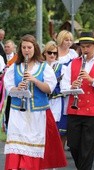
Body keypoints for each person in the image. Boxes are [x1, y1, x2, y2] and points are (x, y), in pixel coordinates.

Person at [3, 34, 67, 170]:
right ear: (20, 49)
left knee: (34, 145)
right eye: (24, 47)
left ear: (35, 48)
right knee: (17, 146)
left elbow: (49, 89)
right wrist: (17, 88)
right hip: (18, 113)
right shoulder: (14, 67)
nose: (27, 50)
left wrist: (35, 80)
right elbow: (9, 89)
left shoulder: (44, 67)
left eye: (29, 47)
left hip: (37, 114)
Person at [60, 32, 94, 170]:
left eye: (88, 46)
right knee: (74, 145)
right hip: (75, 109)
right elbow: (63, 87)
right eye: (82, 47)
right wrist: (72, 87)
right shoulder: (73, 63)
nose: (85, 50)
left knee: (88, 147)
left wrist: (91, 80)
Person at [56, 30, 78, 149]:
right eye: (66, 39)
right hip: (53, 91)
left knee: (64, 122)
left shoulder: (73, 54)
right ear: (60, 39)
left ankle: (61, 150)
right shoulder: (53, 51)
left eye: (70, 40)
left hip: (67, 90)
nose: (69, 42)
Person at [42, 40, 66, 130]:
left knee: (53, 126)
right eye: (49, 52)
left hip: (56, 100)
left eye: (55, 53)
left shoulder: (62, 67)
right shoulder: (39, 66)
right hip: (41, 99)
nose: (52, 55)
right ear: (45, 53)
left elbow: (65, 86)